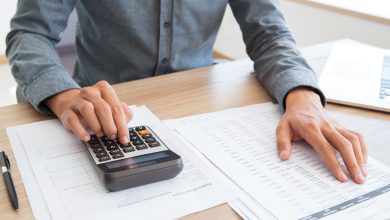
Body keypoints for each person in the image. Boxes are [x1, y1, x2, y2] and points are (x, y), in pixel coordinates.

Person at [6, 0, 367, 184]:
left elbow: (269, 34)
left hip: (199, 112)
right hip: (100, 114)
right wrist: (64, 94)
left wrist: (302, 96)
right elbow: (29, 34)